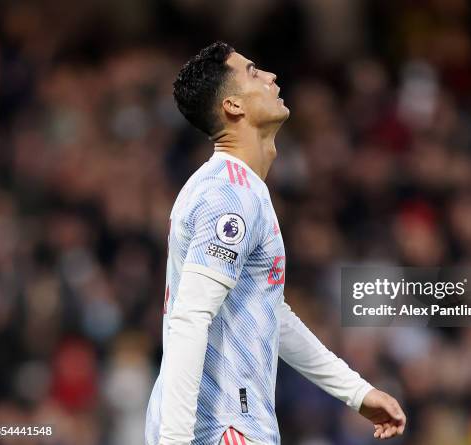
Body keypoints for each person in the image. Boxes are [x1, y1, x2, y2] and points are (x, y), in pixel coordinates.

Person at [145, 41, 406, 445]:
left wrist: (355, 392)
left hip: (233, 424)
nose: (271, 77)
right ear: (233, 106)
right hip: (221, 426)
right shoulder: (227, 195)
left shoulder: (242, 189)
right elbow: (189, 318)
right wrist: (174, 440)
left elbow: (268, 312)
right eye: (253, 72)